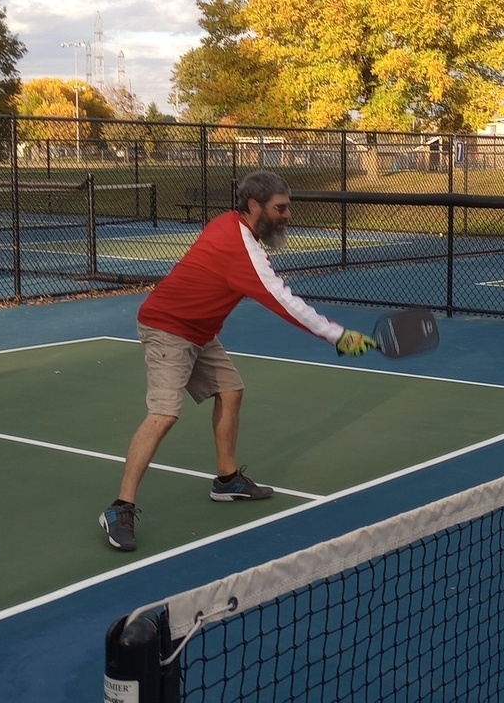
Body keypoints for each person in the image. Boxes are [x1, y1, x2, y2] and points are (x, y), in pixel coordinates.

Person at [99, 170, 378, 552]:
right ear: (253, 206)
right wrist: (339, 336)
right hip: (167, 327)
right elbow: (283, 301)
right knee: (164, 413)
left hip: (198, 329)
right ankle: (120, 507)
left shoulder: (235, 229)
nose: (287, 215)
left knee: (231, 390)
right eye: (280, 208)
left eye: (288, 207)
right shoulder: (240, 246)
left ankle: (226, 480)